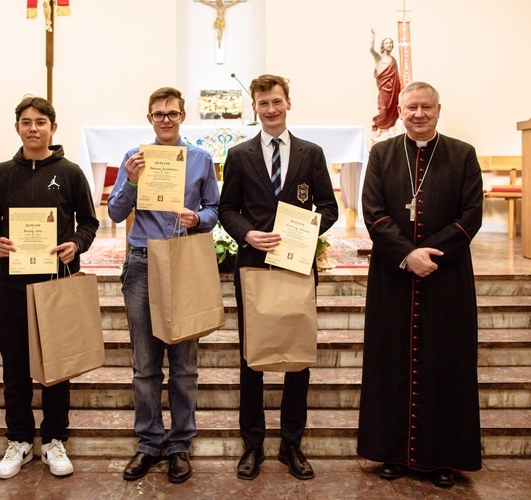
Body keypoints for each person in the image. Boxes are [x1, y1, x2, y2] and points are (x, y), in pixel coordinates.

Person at [357, 81, 483, 488]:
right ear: (402, 110)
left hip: (446, 277)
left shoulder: (462, 154)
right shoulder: (382, 153)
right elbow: (373, 212)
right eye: (411, 107)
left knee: (447, 363)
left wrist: (429, 252)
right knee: (391, 361)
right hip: (393, 276)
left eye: (426, 107)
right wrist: (407, 253)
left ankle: (443, 456)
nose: (418, 114)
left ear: (439, 110)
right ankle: (391, 452)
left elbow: (472, 215)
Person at [218, 74, 338, 481]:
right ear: (254, 107)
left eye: (277, 102)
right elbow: (226, 208)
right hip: (253, 265)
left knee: (296, 357)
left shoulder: (311, 153)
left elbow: (330, 208)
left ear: (288, 103)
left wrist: (304, 234)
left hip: (296, 266)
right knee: (252, 358)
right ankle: (253, 445)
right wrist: (247, 232)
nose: (271, 109)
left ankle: (292, 444)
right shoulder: (239, 155)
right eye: (263, 103)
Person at [0, 96, 98, 480]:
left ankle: (53, 441)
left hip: (55, 286)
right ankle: (19, 440)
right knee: (14, 369)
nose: (33, 128)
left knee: (56, 368)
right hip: (11, 286)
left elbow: (90, 223)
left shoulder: (71, 172)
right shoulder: (0, 175)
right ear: (17, 127)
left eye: (41, 122)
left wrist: (76, 244)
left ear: (53, 128)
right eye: (26, 122)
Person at [108, 87, 219, 484]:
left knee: (185, 364)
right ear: (150, 119)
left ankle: (180, 444)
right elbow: (116, 211)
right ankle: (149, 442)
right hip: (141, 261)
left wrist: (198, 219)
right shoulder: (134, 159)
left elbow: (214, 210)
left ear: (183, 116)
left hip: (183, 261)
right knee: (145, 362)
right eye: (159, 114)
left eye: (173, 113)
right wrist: (133, 182)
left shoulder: (201, 159)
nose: (166, 119)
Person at [370, 28, 401, 133]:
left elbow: (396, 76)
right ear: (383, 45)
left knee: (393, 108)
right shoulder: (379, 58)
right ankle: (380, 127)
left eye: (390, 43)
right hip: (385, 88)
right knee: (384, 107)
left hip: (394, 88)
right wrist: (373, 35)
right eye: (386, 43)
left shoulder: (393, 60)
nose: (388, 44)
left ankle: (390, 127)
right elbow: (370, 49)